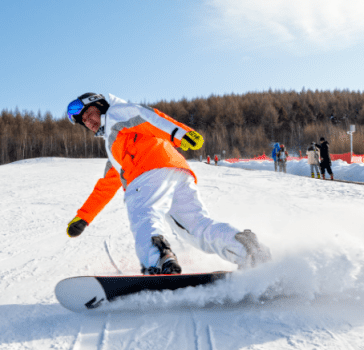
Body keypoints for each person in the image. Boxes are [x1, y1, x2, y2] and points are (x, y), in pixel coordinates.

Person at [64, 92, 272, 274]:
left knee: (144, 215)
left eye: (89, 114)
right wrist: (83, 218)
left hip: (149, 173)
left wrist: (180, 134)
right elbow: (106, 186)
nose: (88, 122)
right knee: (195, 227)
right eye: (84, 121)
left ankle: (159, 263)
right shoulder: (115, 146)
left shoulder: (116, 114)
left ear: (100, 105)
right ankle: (247, 250)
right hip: (177, 172)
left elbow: (149, 117)